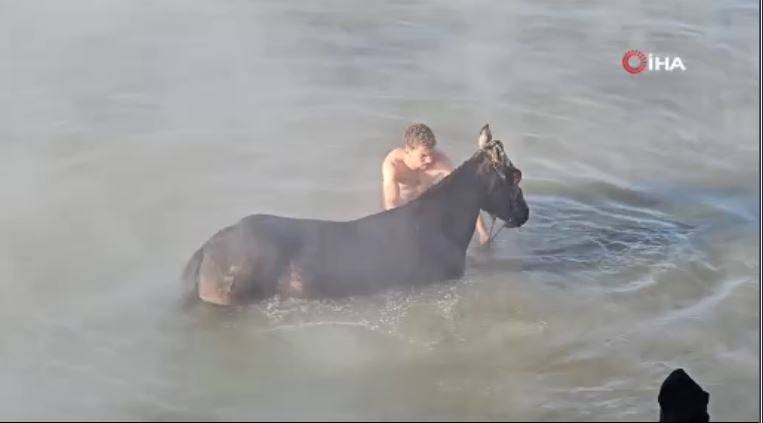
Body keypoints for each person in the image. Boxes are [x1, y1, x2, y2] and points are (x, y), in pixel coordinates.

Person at [381, 123, 491, 246]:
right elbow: (391, 204)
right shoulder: (393, 164)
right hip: (403, 211)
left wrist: (482, 231)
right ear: (408, 150)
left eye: (431, 153)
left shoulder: (440, 161)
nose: (429, 160)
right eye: (423, 155)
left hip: (426, 206)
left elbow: (465, 193)